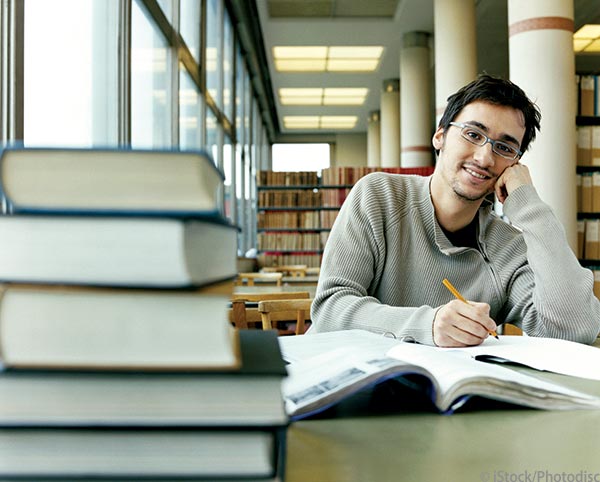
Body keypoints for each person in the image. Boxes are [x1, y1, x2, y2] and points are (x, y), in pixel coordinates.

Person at [310, 74, 600, 347]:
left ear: (515, 164)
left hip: (453, 393)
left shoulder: (509, 248)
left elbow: (574, 331)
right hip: (357, 385)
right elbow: (330, 308)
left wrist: (529, 204)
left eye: (504, 147)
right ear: (440, 136)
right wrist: (428, 324)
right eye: (473, 134)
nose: (485, 157)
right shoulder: (379, 196)